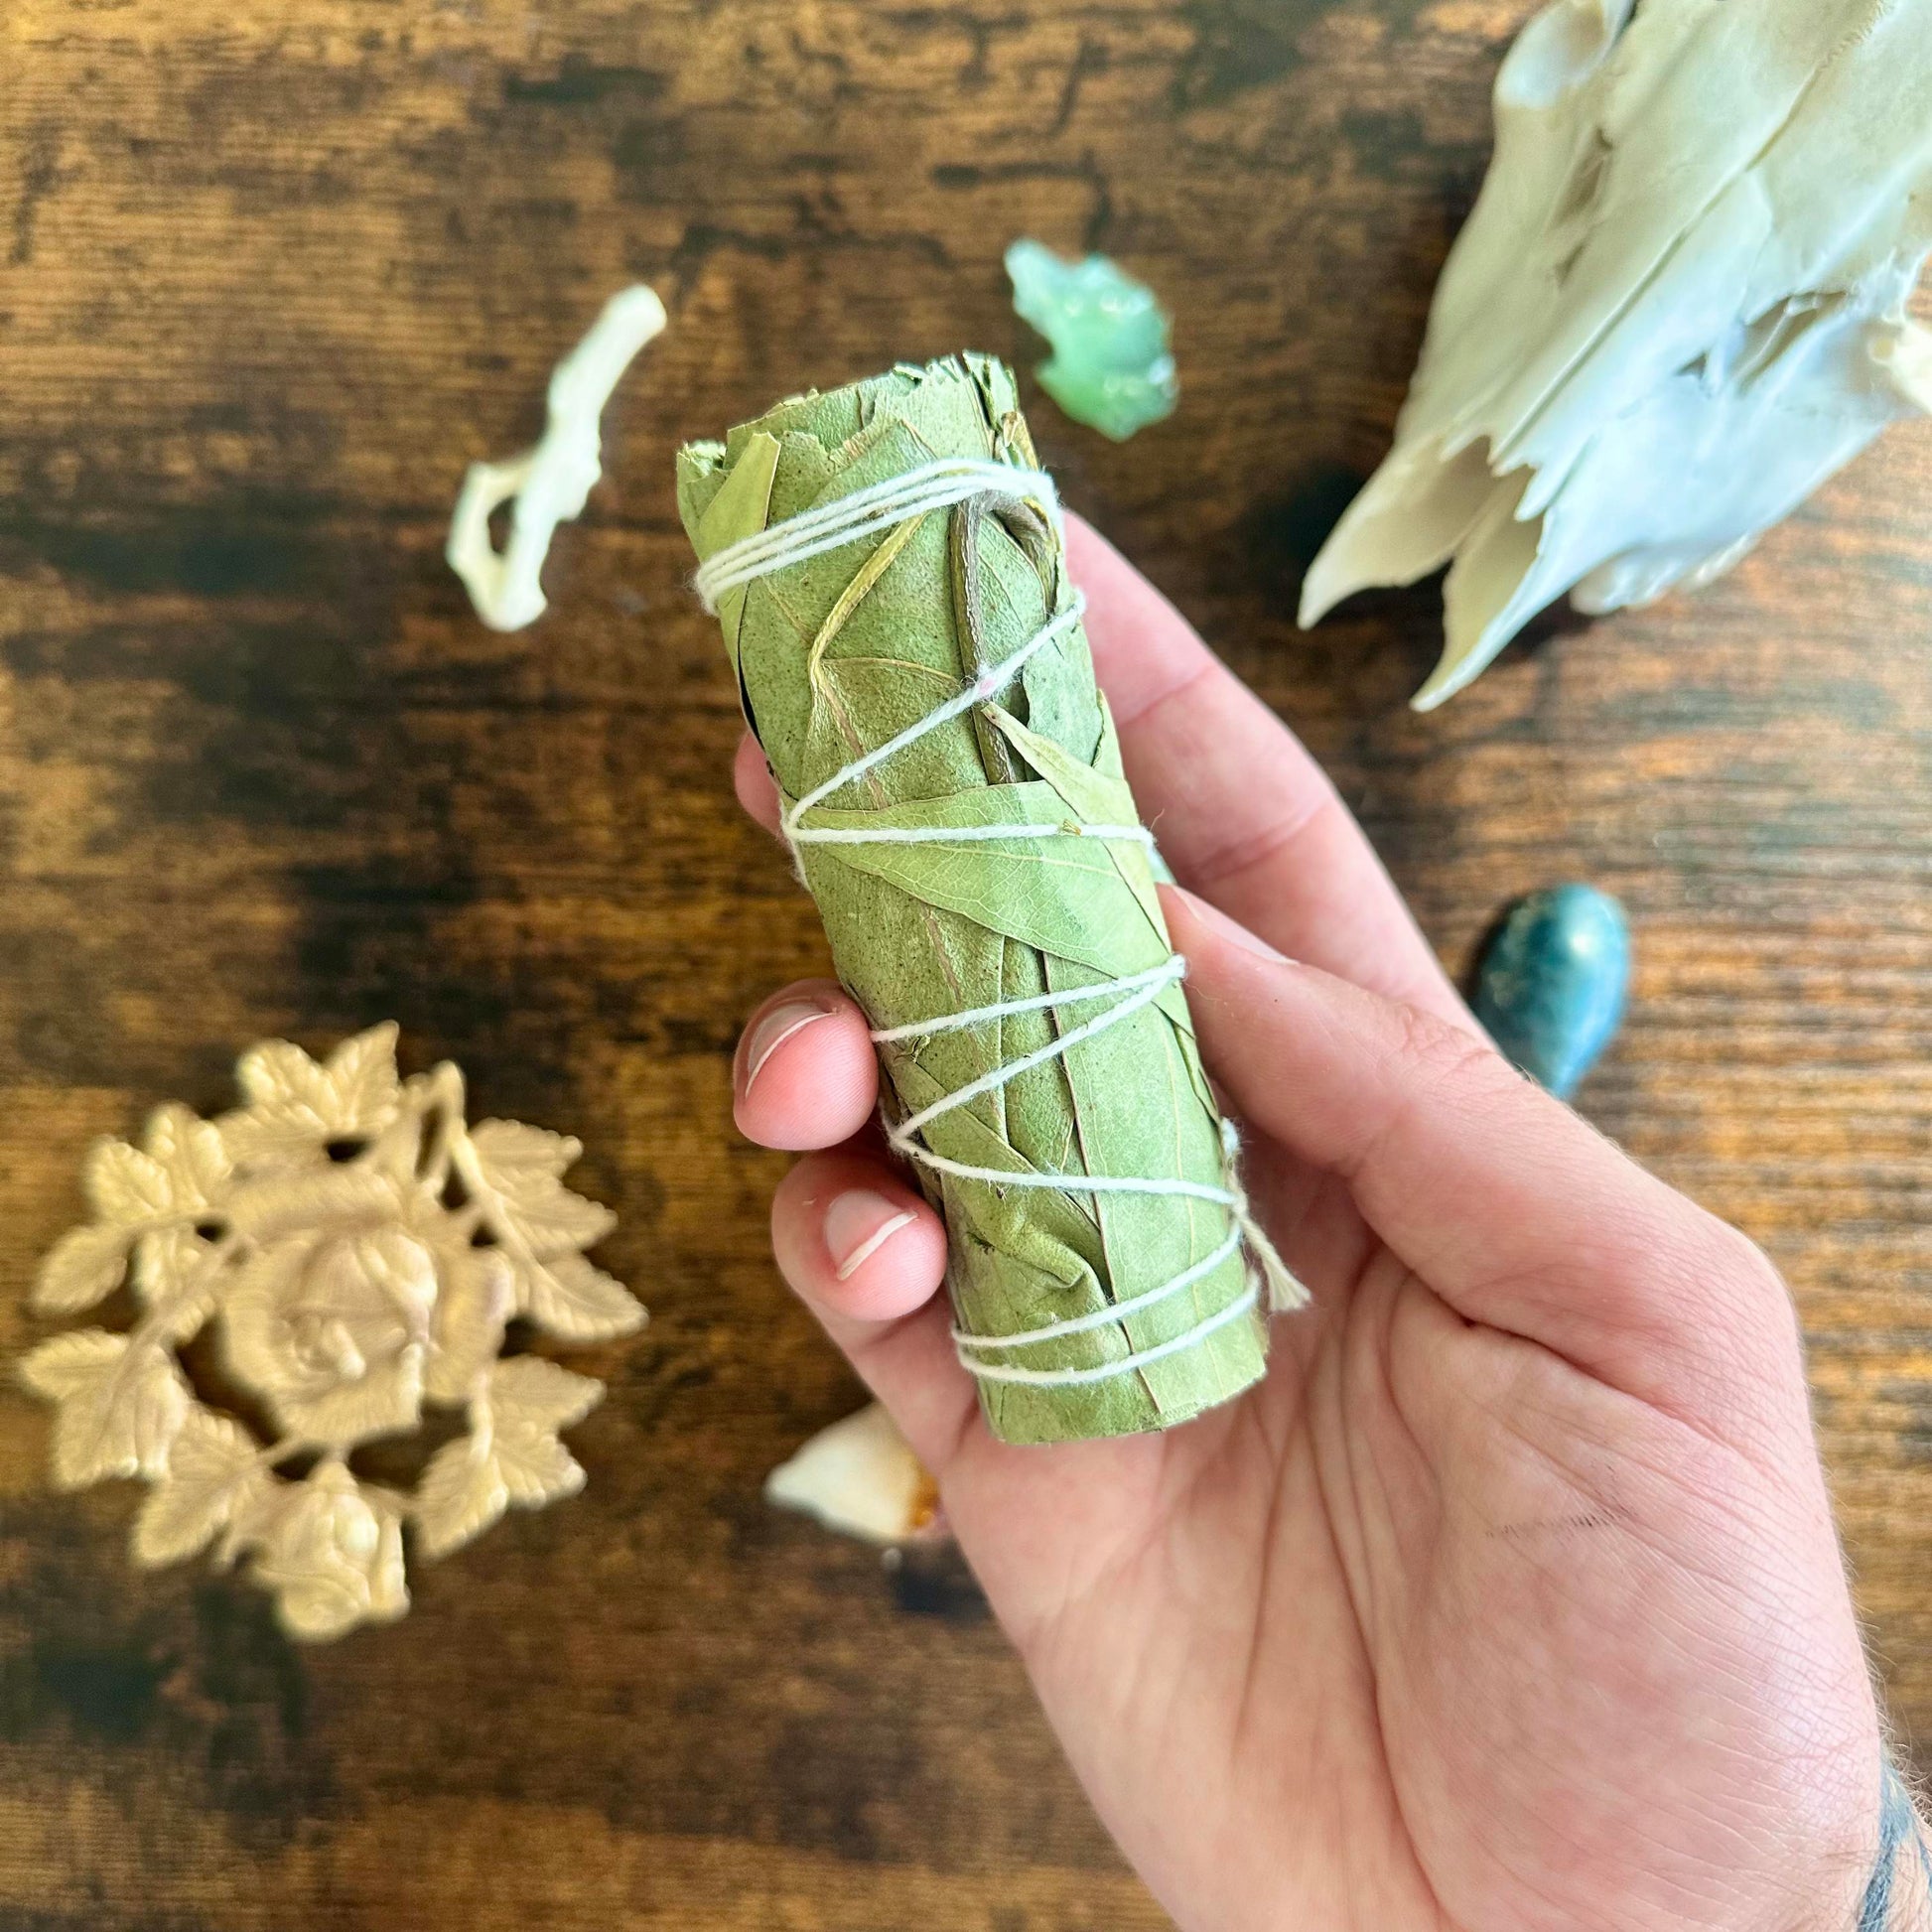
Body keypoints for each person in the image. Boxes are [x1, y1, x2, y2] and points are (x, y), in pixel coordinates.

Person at [726, 514, 1924, 1931]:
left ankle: (1510, 1084)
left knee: (851, 1146)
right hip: (1164, 1366)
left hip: (1213, 1331)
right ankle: (1514, 1082)